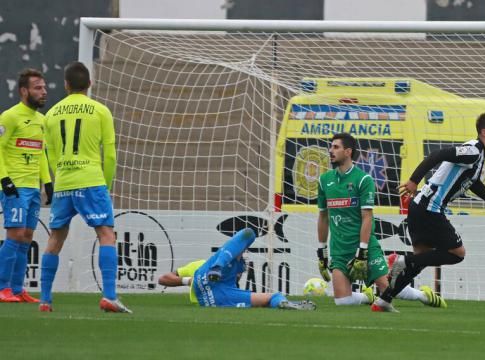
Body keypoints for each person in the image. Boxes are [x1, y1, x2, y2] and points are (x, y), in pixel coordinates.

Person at [371, 112, 485, 312]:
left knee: (421, 259)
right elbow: (437, 155)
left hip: (420, 207)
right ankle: (401, 261)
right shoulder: (473, 151)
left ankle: (384, 300)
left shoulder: (479, 155)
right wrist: (414, 180)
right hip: (429, 209)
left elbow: (472, 183)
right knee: (457, 254)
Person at [38, 62, 129, 313]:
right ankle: (109, 296)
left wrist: (61, 178)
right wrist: (106, 185)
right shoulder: (100, 111)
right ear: (89, 84)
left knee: (55, 238)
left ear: (66, 85)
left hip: (64, 182)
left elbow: (51, 154)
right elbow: (109, 154)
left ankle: (45, 300)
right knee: (106, 234)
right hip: (91, 180)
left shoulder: (51, 114)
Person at [317, 132, 444, 307]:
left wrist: (362, 252)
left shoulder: (363, 179)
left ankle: (424, 295)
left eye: (335, 147)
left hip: (365, 246)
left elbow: (367, 217)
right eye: (330, 147)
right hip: (339, 248)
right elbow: (323, 217)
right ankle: (366, 297)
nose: (330, 151)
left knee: (388, 291)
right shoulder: (324, 180)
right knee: (342, 302)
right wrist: (321, 252)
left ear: (348, 151)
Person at [159, 228, 316, 310]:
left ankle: (284, 303)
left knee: (272, 297)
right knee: (248, 235)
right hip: (211, 287)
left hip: (209, 298)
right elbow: (163, 279)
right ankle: (218, 267)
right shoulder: (198, 264)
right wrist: (188, 281)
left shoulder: (230, 281)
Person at [0, 69, 53, 303]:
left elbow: (40, 153)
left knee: (27, 236)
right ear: (24, 91)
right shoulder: (9, 117)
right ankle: (2, 287)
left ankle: (17, 288)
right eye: (38, 88)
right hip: (15, 186)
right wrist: (4, 179)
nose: (44, 92)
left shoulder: (42, 121)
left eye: (44, 87)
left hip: (32, 188)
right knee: (15, 234)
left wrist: (48, 182)